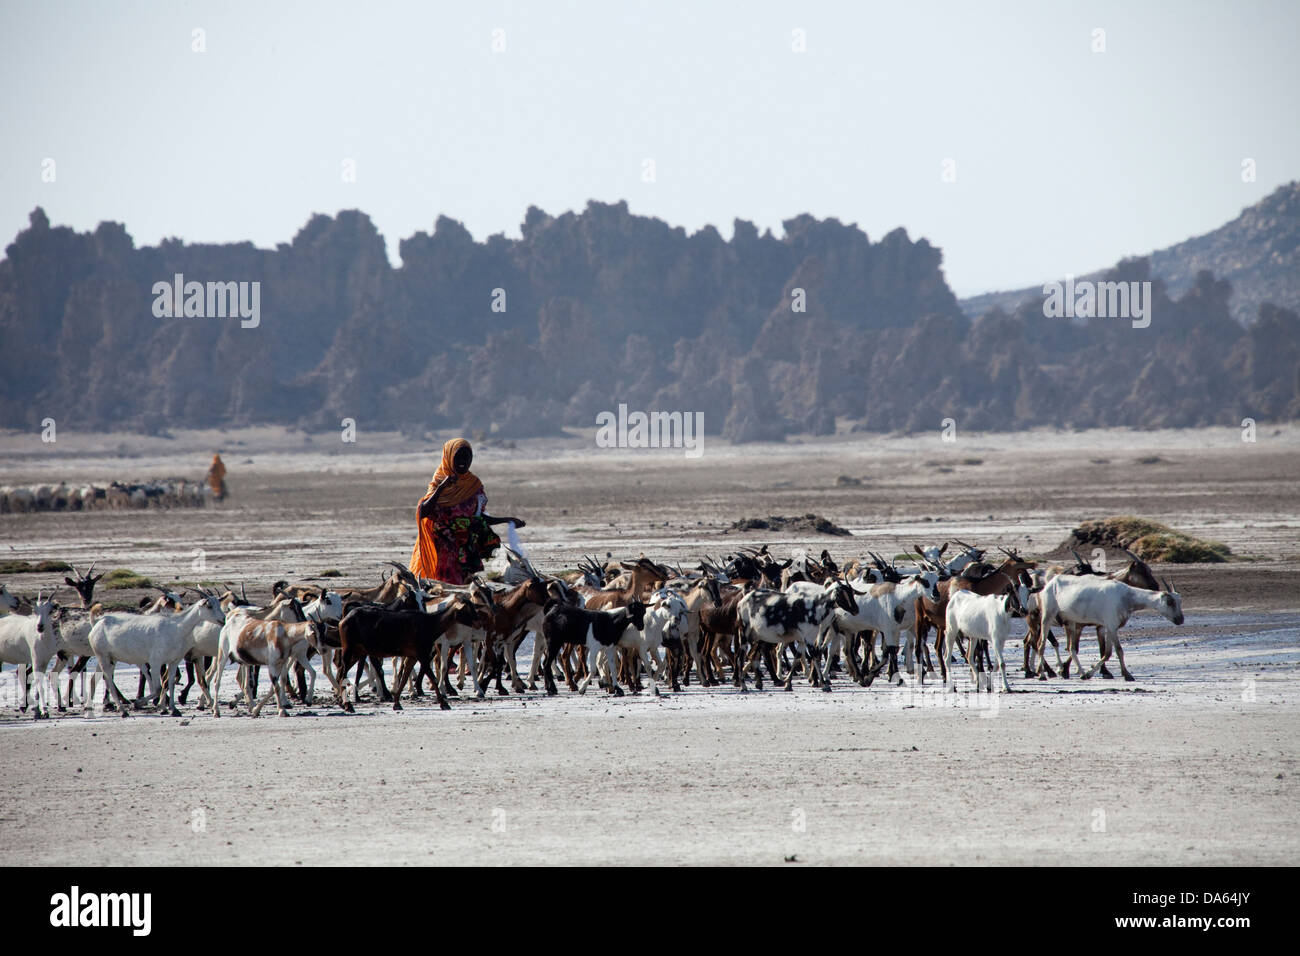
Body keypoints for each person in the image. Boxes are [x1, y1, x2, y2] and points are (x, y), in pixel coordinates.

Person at [408, 437, 525, 584]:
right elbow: (422, 512)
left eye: (467, 457)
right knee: (442, 586)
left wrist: (507, 520)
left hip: (466, 549)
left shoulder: (474, 485)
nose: (463, 461)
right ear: (449, 457)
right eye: (459, 456)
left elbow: (478, 516)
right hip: (443, 549)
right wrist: (441, 488)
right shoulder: (439, 481)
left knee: (465, 588)